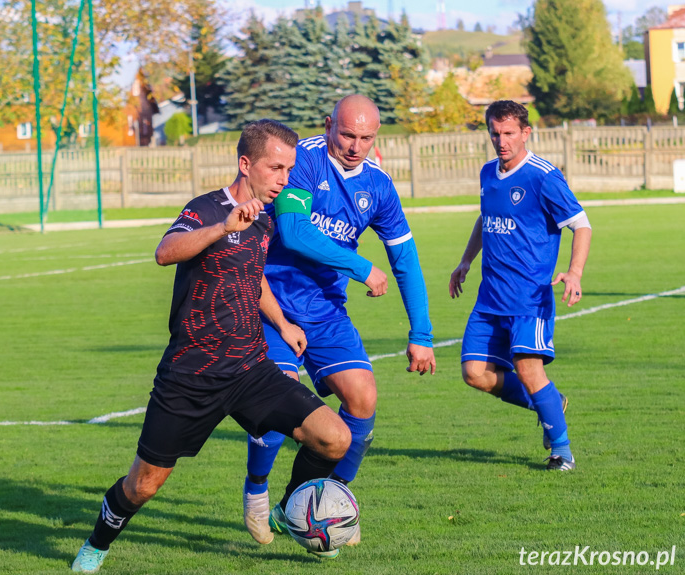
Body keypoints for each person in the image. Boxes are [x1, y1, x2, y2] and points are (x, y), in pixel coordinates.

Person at [71, 120, 351, 573]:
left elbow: (252, 274)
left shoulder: (266, 217)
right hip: (190, 375)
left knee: (334, 437)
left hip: (250, 369)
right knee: (142, 486)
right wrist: (222, 227)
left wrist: (282, 323)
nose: (285, 178)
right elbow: (165, 252)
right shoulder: (206, 208)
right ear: (246, 164)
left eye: (290, 168)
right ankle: (97, 544)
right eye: (276, 168)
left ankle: (287, 512)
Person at [242, 95, 436, 546]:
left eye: (366, 137)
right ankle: (255, 490)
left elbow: (405, 259)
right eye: (347, 134)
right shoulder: (302, 161)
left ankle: (319, 503)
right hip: (272, 303)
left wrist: (421, 333)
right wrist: (359, 266)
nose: (355, 145)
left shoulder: (379, 187)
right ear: (330, 124)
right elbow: (292, 230)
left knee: (363, 400)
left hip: (326, 309)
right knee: (277, 405)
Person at [448, 100, 592, 471]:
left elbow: (582, 224)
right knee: (474, 374)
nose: (501, 140)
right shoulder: (487, 173)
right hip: (490, 298)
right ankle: (549, 403)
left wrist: (574, 272)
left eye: (509, 133)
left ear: (526, 133)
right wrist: (466, 260)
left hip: (530, 297)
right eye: (495, 133)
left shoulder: (543, 176)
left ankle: (562, 452)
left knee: (528, 369)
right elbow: (486, 218)